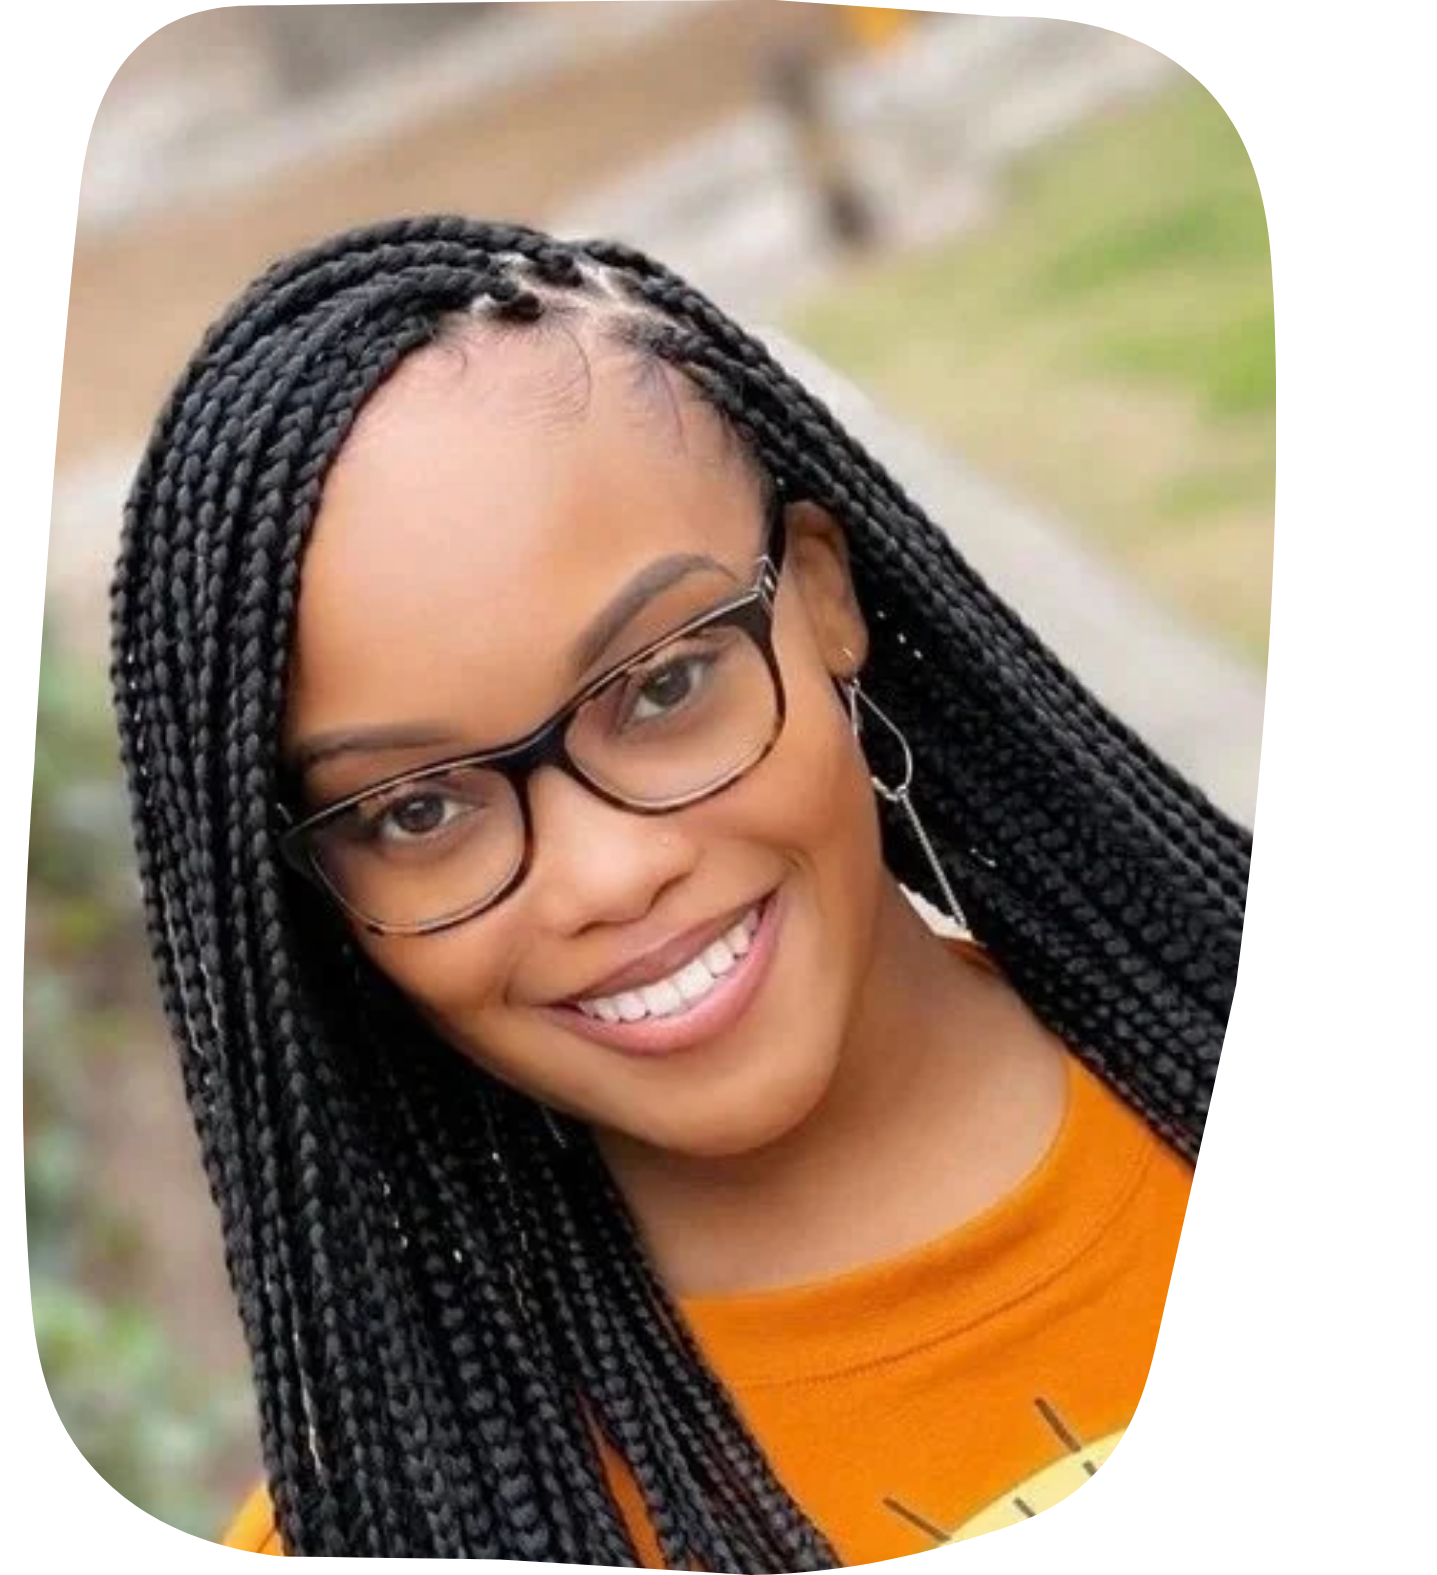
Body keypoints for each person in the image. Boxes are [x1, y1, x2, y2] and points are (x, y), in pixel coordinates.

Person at [107, 214, 1252, 1571]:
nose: (606, 871)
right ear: (319, 898)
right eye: (414, 810)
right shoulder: (398, 1528)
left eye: (662, 685)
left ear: (820, 597)